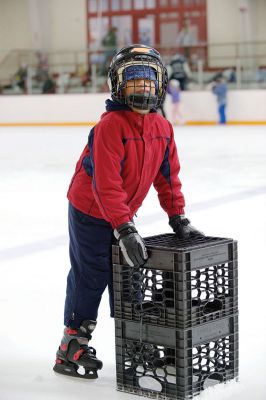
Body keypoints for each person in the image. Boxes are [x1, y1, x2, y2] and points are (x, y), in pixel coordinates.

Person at [53, 44, 204, 380]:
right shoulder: (109, 127)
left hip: (121, 211)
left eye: (148, 81)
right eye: (133, 81)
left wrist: (177, 216)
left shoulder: (162, 128)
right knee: (91, 274)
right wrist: (124, 229)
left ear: (160, 84)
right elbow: (105, 184)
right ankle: (72, 343)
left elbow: (168, 178)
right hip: (90, 208)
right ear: (118, 85)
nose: (142, 88)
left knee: (130, 276)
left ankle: (136, 342)